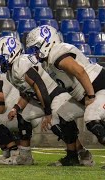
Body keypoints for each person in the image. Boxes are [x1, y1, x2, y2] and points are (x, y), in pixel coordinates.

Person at [0, 36, 93, 166]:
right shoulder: (11, 72)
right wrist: (16, 108)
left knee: (55, 123)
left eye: (1, 58)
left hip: (55, 94)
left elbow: (40, 86)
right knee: (24, 116)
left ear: (11, 53)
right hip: (42, 98)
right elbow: (27, 92)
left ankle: (78, 153)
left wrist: (48, 113)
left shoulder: (21, 63)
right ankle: (25, 156)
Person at [26, 25, 104, 168]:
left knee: (92, 118)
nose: (35, 53)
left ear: (47, 42)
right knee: (58, 117)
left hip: (98, 87)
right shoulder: (48, 62)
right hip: (85, 93)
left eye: (36, 48)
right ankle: (72, 156)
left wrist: (91, 96)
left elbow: (79, 71)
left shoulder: (57, 52)